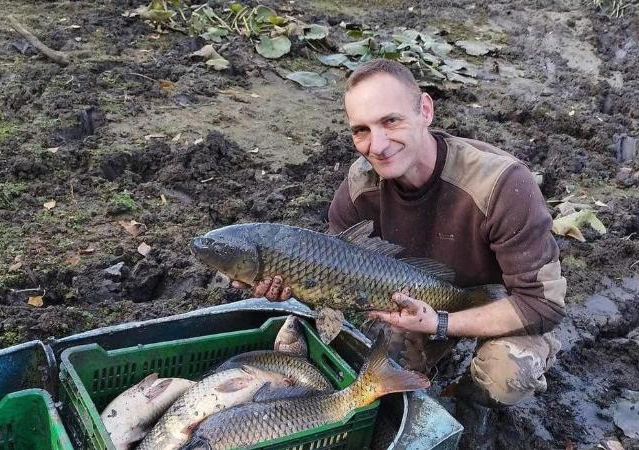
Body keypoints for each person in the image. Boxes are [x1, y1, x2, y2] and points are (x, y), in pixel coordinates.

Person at [236, 58, 566, 438]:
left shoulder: (502, 183)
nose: (376, 145)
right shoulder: (359, 188)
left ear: (425, 110)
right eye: (361, 130)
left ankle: (469, 400)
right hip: (410, 304)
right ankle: (425, 379)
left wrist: (441, 323)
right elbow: (331, 283)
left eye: (390, 121)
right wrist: (291, 287)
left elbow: (543, 305)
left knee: (506, 375)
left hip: (497, 303)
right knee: (377, 366)